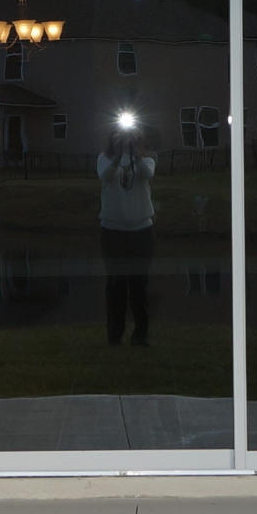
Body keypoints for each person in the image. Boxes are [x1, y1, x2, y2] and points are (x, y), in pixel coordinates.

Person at [97, 118, 157, 348]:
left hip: (141, 232)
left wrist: (134, 152)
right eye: (118, 135)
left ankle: (141, 336)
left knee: (139, 285)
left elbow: (146, 174)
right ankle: (115, 336)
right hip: (113, 233)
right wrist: (118, 153)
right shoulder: (104, 159)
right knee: (115, 285)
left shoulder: (147, 160)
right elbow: (106, 175)